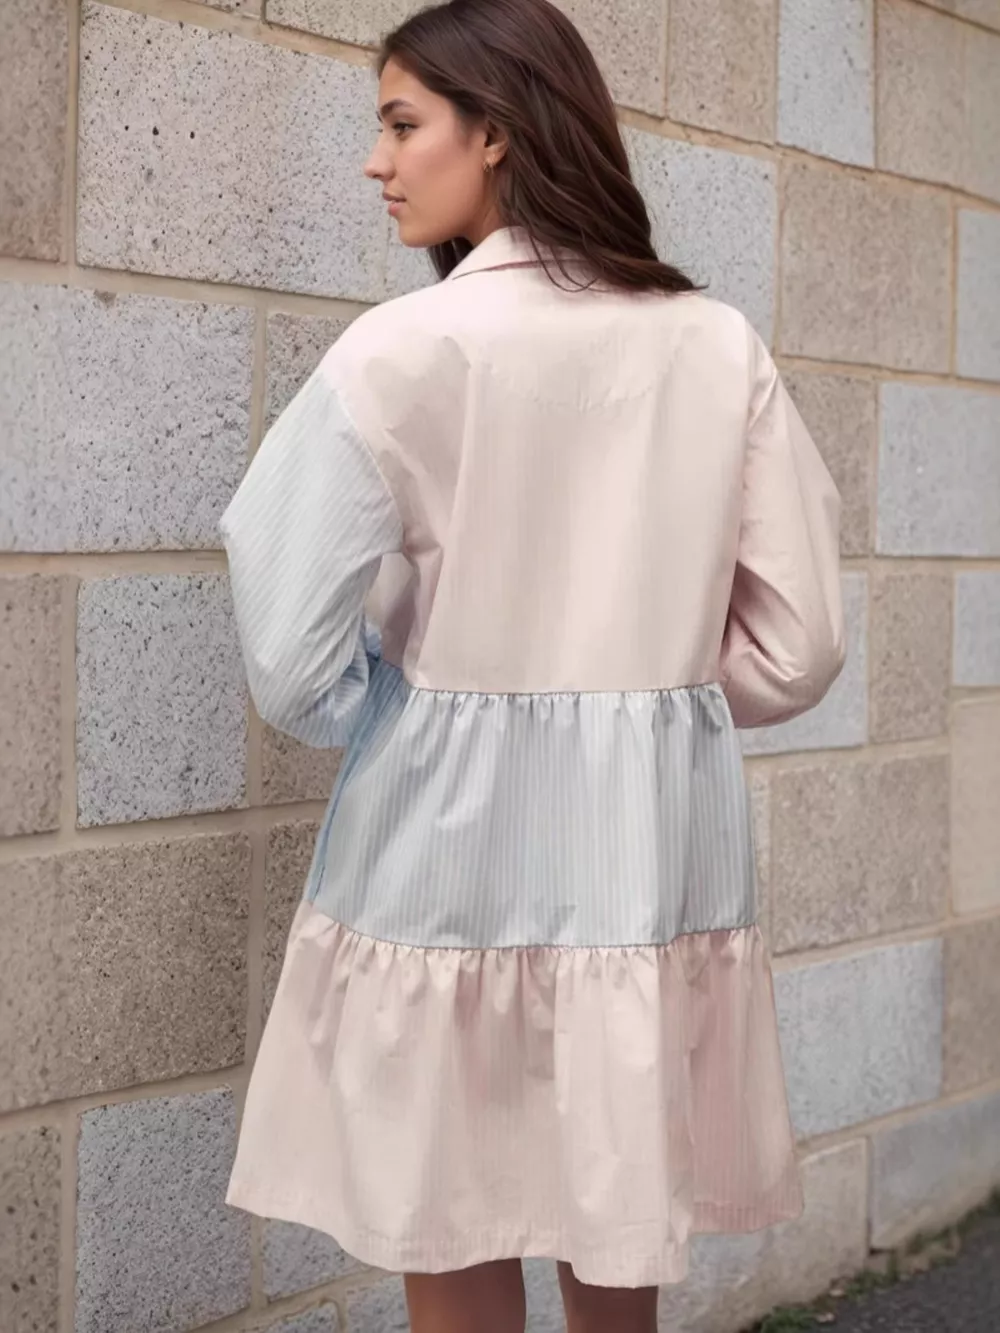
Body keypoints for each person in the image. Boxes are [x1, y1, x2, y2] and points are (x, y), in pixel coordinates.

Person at [220, 0, 845, 1329]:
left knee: (449, 1204)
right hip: (643, 849)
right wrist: (648, 691)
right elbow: (799, 647)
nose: (377, 163)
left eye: (403, 125)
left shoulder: (399, 353)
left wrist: (395, 700)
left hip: (437, 845)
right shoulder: (714, 345)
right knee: (615, 1203)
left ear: (495, 132)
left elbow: (289, 656)